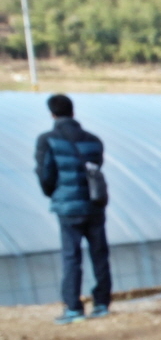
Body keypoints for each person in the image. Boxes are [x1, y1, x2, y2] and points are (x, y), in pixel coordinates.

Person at [34, 93, 112, 324]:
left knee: (71, 256)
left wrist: (53, 193)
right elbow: (96, 166)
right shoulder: (93, 140)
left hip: (68, 206)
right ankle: (101, 303)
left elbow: (45, 173)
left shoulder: (47, 140)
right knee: (99, 254)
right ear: (73, 112)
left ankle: (74, 307)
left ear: (52, 113)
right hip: (94, 203)